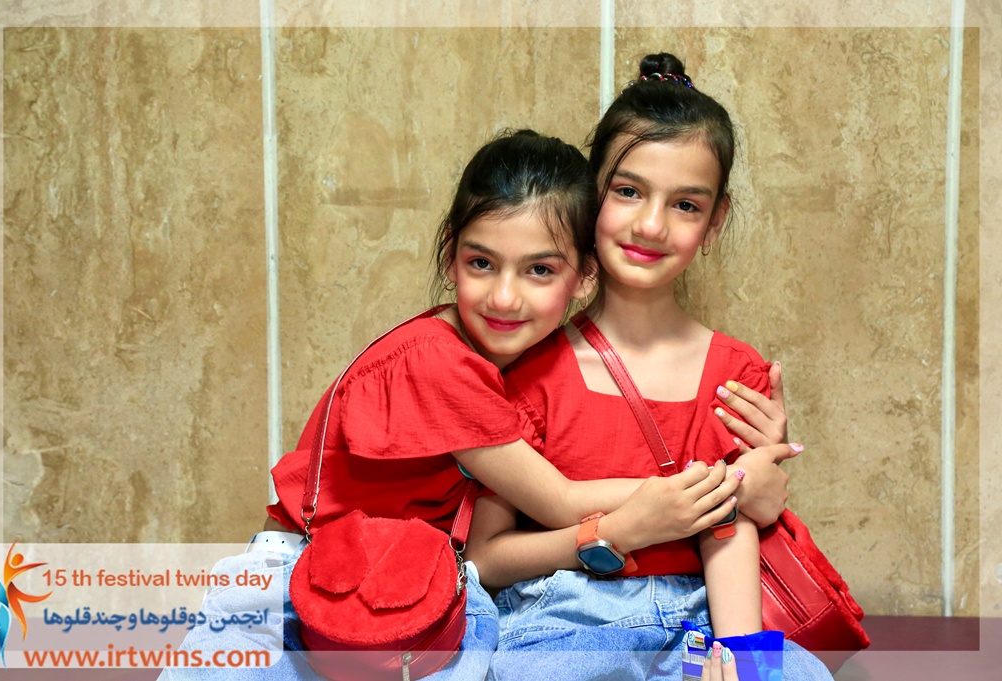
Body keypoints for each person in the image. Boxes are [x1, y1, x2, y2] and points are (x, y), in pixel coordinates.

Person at [159, 128, 750, 681]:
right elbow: (559, 499)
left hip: (398, 587)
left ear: (585, 277)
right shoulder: (438, 362)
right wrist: (712, 487)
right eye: (481, 263)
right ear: (450, 256)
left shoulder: (505, 360)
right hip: (299, 584)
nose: (504, 297)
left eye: (539, 270)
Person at [466, 54, 834, 681]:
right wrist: (613, 532)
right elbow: (485, 560)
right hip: (568, 617)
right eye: (628, 191)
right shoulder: (529, 371)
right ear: (590, 198)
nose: (652, 224)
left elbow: (733, 528)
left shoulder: (737, 377)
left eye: (686, 204)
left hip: (703, 618)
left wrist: (740, 656)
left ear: (714, 222)